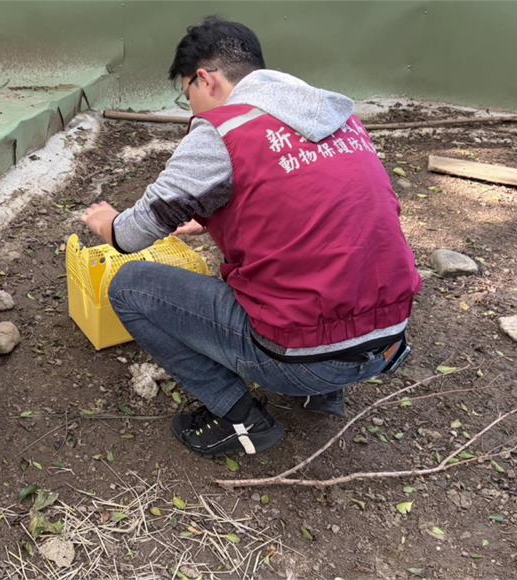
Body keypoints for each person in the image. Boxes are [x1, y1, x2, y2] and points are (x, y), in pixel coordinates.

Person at [82, 17, 422, 457]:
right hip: (387, 342)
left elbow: (131, 235)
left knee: (128, 287)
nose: (192, 110)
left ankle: (239, 419)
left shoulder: (223, 131)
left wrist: (108, 221)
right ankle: (321, 396)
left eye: (188, 95)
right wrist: (211, 219)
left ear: (206, 79)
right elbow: (307, 202)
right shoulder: (336, 115)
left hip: (301, 356)